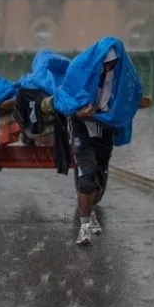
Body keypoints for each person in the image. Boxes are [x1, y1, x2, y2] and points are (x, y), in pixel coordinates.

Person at [44, 49, 118, 246]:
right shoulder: (82, 73)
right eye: (107, 64)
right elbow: (67, 100)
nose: (110, 68)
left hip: (103, 125)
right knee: (88, 171)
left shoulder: (116, 77)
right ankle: (84, 228)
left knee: (99, 173)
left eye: (113, 64)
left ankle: (90, 214)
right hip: (80, 125)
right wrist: (79, 112)